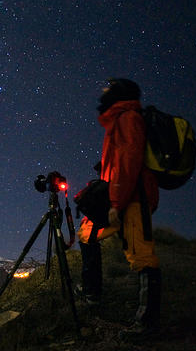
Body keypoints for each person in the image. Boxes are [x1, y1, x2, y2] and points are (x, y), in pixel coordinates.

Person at [76, 78, 161, 333]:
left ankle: (146, 324)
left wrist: (116, 202)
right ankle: (91, 293)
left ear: (118, 93)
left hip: (133, 199)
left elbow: (129, 161)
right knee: (86, 233)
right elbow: (118, 162)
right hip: (119, 196)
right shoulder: (118, 120)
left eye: (108, 88)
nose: (103, 91)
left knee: (141, 256)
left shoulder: (128, 118)